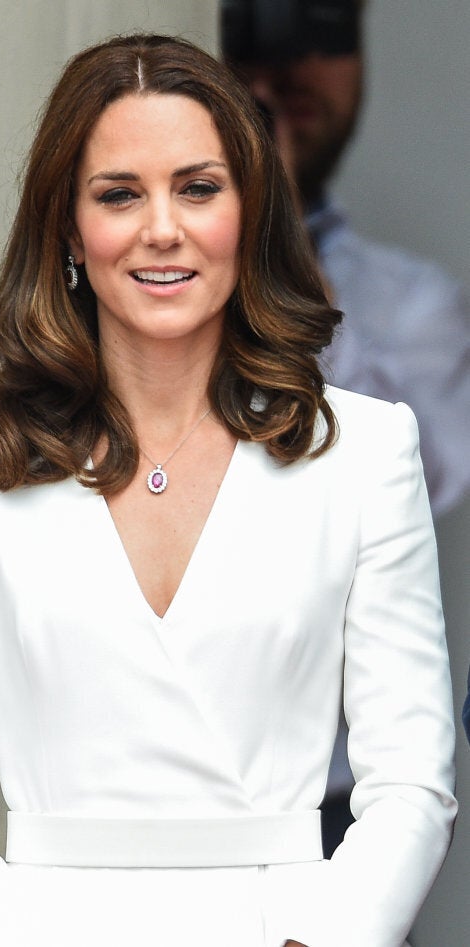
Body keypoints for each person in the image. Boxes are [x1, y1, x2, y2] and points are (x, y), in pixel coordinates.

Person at [0, 33, 456, 947]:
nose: (161, 227)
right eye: (119, 193)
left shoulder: (366, 451)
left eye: (198, 187)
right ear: (69, 226)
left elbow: (412, 780)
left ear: (249, 208)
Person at [221, 0, 470, 858]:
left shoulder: (414, 304)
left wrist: (279, 247)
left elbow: (412, 484)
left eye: (323, 26)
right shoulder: (143, 274)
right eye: (255, 25)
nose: (290, 66)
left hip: (335, 808)